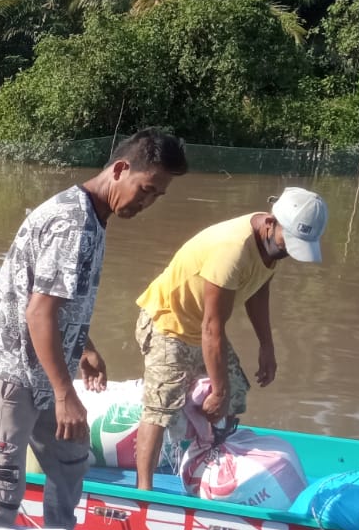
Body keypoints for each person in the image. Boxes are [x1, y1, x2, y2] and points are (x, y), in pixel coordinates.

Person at [0, 128, 189, 529]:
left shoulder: (94, 217)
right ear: (120, 169)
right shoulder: (74, 223)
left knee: (71, 455)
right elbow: (38, 313)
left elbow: (55, 300)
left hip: (45, 375)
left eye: (158, 196)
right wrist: (66, 392)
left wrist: (84, 346)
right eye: (147, 189)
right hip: (11, 376)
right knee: (1, 494)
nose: (148, 202)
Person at [132, 187, 328, 492]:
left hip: (204, 327)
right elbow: (213, 327)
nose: (289, 250)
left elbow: (258, 290)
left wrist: (267, 345)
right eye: (287, 242)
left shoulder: (272, 247)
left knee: (235, 395)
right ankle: (143, 492)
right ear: (270, 223)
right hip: (169, 323)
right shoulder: (233, 250)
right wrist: (217, 390)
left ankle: (211, 465)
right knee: (161, 407)